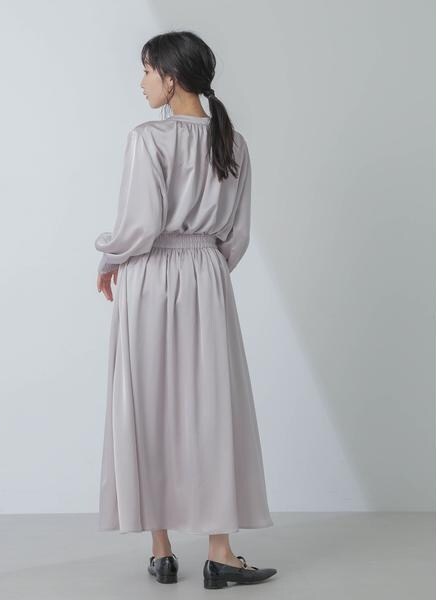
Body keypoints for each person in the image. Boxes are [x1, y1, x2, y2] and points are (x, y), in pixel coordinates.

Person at [95, 31, 277, 589]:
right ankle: (221, 552)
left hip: (150, 274)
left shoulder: (148, 139)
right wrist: (206, 270)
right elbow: (236, 236)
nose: (142, 82)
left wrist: (109, 257)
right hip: (207, 275)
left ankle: (162, 549)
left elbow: (140, 224)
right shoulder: (233, 143)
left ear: (171, 79)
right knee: (211, 405)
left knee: (149, 402)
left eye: (147, 71)